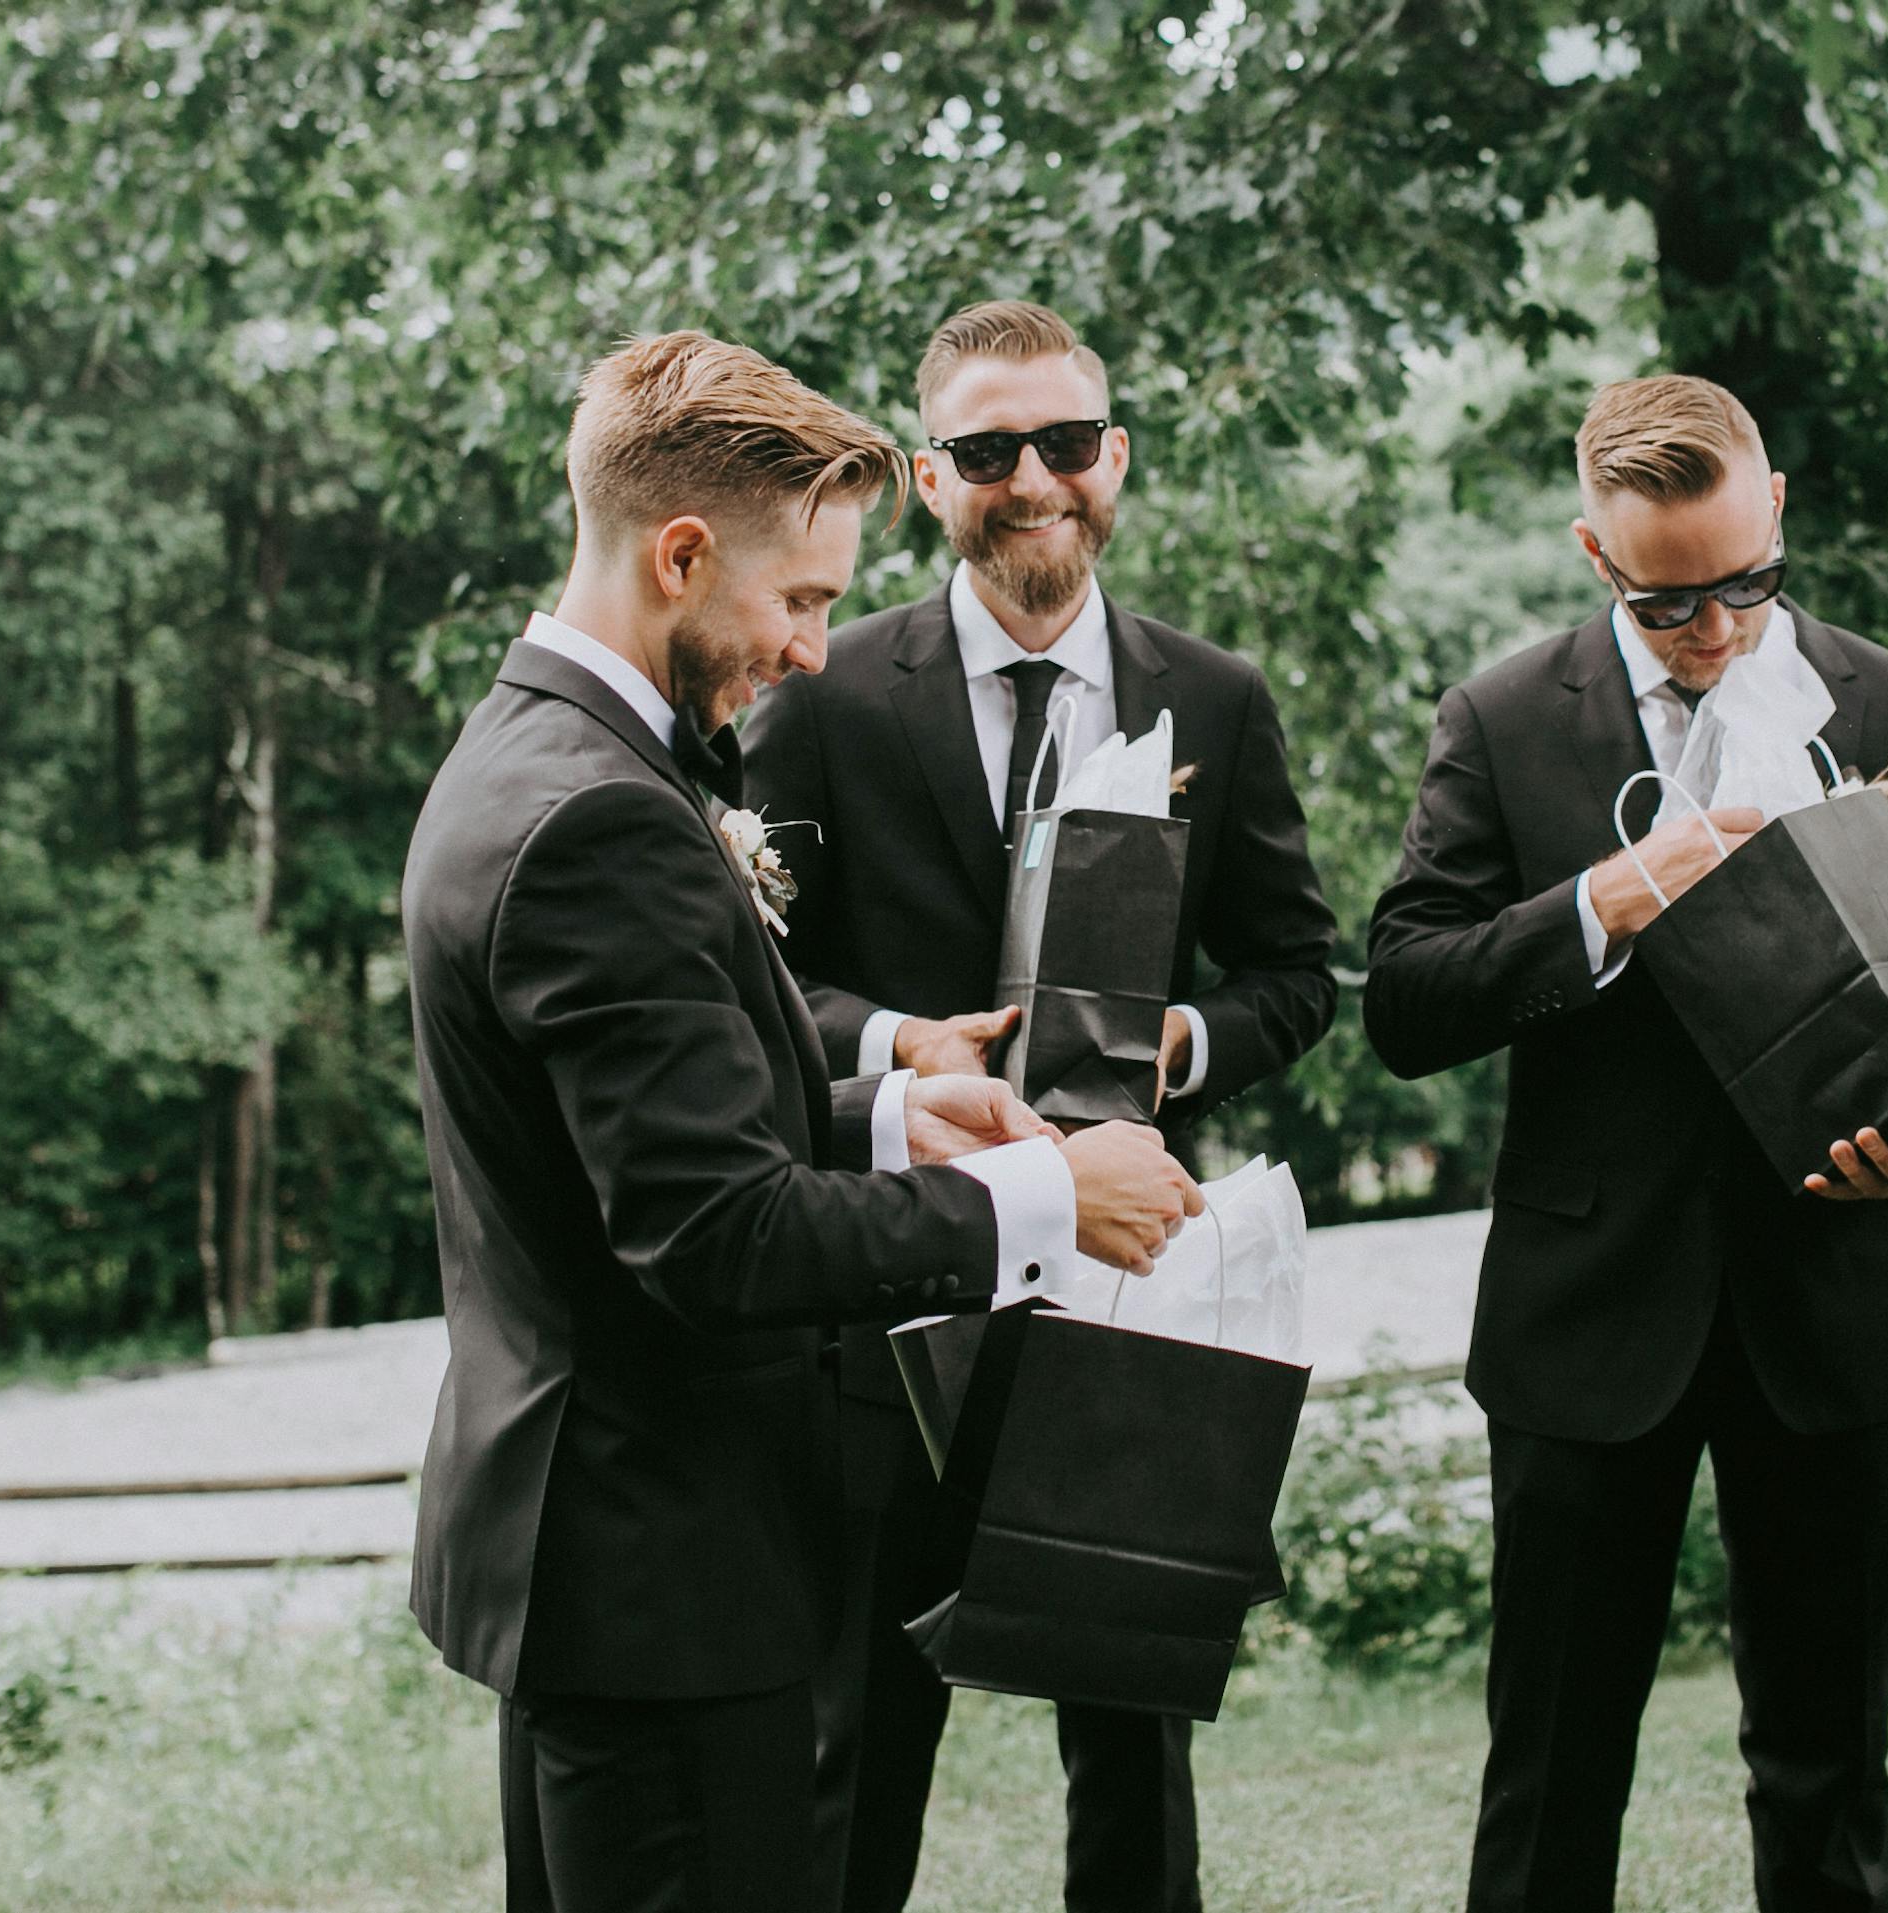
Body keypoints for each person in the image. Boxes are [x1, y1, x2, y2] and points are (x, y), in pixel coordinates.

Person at [402, 330, 1201, 1913]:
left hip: (605, 1560)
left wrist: (895, 1114)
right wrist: (1047, 1197)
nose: (815, 649)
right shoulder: (602, 822)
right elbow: (714, 1233)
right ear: (683, 555)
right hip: (667, 1579)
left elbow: (639, 1134)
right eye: (804, 599)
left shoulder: (540, 750)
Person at [1362, 374, 1888, 1911]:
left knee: (1829, 1769)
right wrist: (1609, 895)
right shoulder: (1506, 718)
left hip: (1839, 1307)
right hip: (1590, 1319)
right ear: (1598, 557)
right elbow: (1404, 998)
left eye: (1746, 586)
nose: (1718, 629)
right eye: (1670, 606)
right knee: (1552, 1772)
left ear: (1776, 504)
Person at [740, 299, 1339, 1913]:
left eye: (1067, 444)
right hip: (891, 1284)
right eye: (991, 451)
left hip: (1129, 1283)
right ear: (934, 476)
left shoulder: (1211, 696)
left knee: (1136, 1752)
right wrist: (901, 1046)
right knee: (854, 1744)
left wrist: (1183, 1047)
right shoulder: (824, 689)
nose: (1035, 481)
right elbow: (759, 987)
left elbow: (1299, 969)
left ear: (1114, 457)